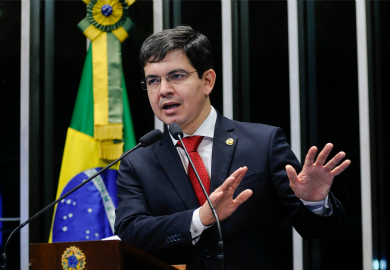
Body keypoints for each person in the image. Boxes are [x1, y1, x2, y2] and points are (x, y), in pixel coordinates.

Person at [114, 25, 350, 270]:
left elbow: (319, 231)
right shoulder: (138, 161)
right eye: (153, 81)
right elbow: (131, 234)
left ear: (207, 81)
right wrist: (199, 219)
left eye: (176, 76)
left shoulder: (263, 143)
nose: (163, 90)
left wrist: (314, 203)